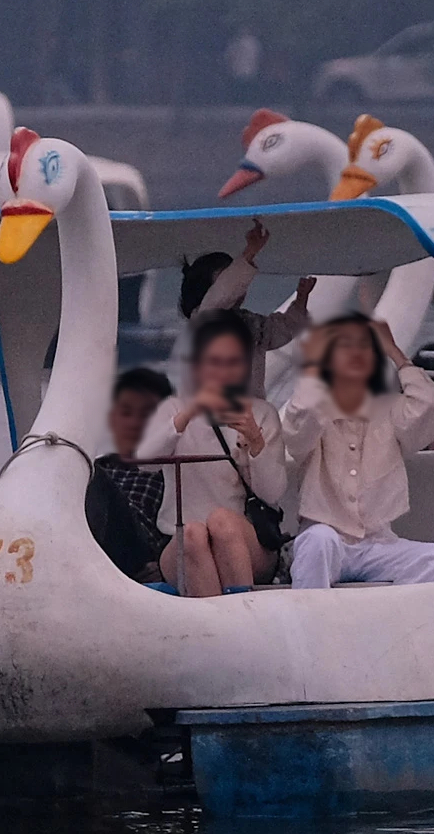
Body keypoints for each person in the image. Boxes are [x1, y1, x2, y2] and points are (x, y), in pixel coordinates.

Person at [283, 314, 434, 590]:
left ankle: (392, 628)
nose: (355, 354)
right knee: (318, 541)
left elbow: (428, 407)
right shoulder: (316, 413)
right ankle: (311, 629)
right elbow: (301, 417)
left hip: (378, 543)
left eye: (363, 348)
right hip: (327, 539)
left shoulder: (389, 410)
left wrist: (395, 352)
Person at [136, 314, 286, 596]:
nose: (223, 373)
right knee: (193, 533)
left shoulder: (262, 413)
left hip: (247, 542)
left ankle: (241, 614)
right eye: (214, 363)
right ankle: (226, 630)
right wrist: (189, 414)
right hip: (180, 541)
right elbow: (144, 463)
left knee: (222, 521)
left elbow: (272, 493)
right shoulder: (173, 409)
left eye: (233, 363)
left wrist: (255, 440)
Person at [85, 368, 176, 580]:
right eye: (126, 413)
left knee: (92, 475)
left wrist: (164, 563)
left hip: (140, 549)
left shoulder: (172, 467)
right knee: (80, 470)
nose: (134, 422)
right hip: (95, 539)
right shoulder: (102, 467)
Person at [178, 218, 315, 354]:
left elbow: (280, 331)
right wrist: (249, 252)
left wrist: (301, 300)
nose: (240, 284)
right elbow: (223, 292)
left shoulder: (249, 323)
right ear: (206, 289)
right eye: (226, 276)